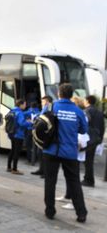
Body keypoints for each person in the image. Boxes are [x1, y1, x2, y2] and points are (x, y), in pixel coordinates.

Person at [43, 83, 88, 223]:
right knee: (74, 182)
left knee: (50, 181)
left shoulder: (50, 107)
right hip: (69, 152)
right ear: (71, 95)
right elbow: (83, 130)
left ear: (59, 93)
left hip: (50, 150)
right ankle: (81, 213)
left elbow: (40, 123)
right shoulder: (78, 111)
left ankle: (50, 211)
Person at [82, 95, 105, 187]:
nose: (83, 102)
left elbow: (84, 126)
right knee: (89, 160)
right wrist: (100, 138)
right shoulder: (99, 112)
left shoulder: (86, 111)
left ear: (87, 101)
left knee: (86, 160)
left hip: (88, 139)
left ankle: (88, 180)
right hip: (96, 139)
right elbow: (103, 127)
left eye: (84, 100)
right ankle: (88, 179)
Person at [7, 99, 32, 175]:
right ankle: (14, 169)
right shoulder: (20, 113)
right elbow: (22, 123)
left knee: (12, 150)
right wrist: (29, 122)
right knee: (16, 152)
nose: (25, 105)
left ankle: (8, 167)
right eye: (24, 104)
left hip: (11, 133)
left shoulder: (12, 110)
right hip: (18, 134)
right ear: (21, 105)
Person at [31, 95, 53, 178]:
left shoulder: (50, 108)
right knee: (40, 153)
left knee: (44, 154)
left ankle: (45, 172)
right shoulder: (45, 108)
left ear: (47, 101)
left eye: (43, 101)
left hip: (45, 133)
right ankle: (41, 169)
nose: (42, 103)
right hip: (40, 132)